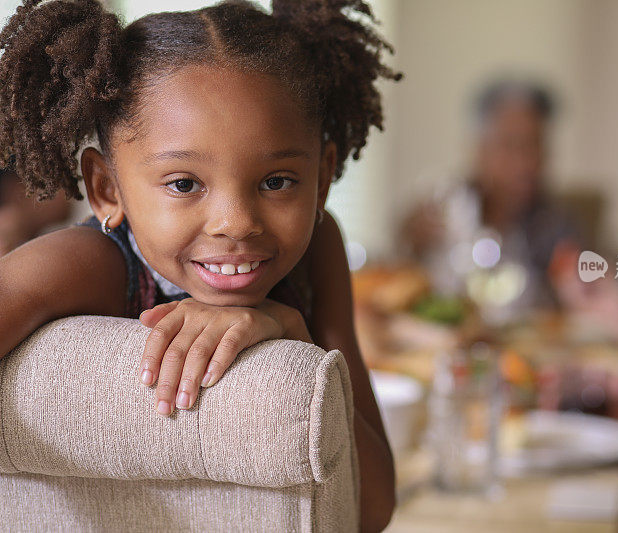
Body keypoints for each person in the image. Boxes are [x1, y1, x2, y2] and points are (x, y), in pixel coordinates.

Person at [0, 1, 401, 530]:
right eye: (184, 184)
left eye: (277, 181)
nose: (236, 223)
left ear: (323, 177)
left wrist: (291, 333)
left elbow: (370, 508)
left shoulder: (317, 247)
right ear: (106, 189)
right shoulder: (87, 263)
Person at [400, 79, 579, 311]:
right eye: (510, 144)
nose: (526, 161)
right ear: (479, 149)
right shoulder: (443, 208)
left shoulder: (556, 225)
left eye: (536, 145)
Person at [0, 161, 73, 254]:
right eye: (51, 183)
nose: (64, 189)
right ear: (21, 192)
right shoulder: (6, 238)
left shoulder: (31, 239)